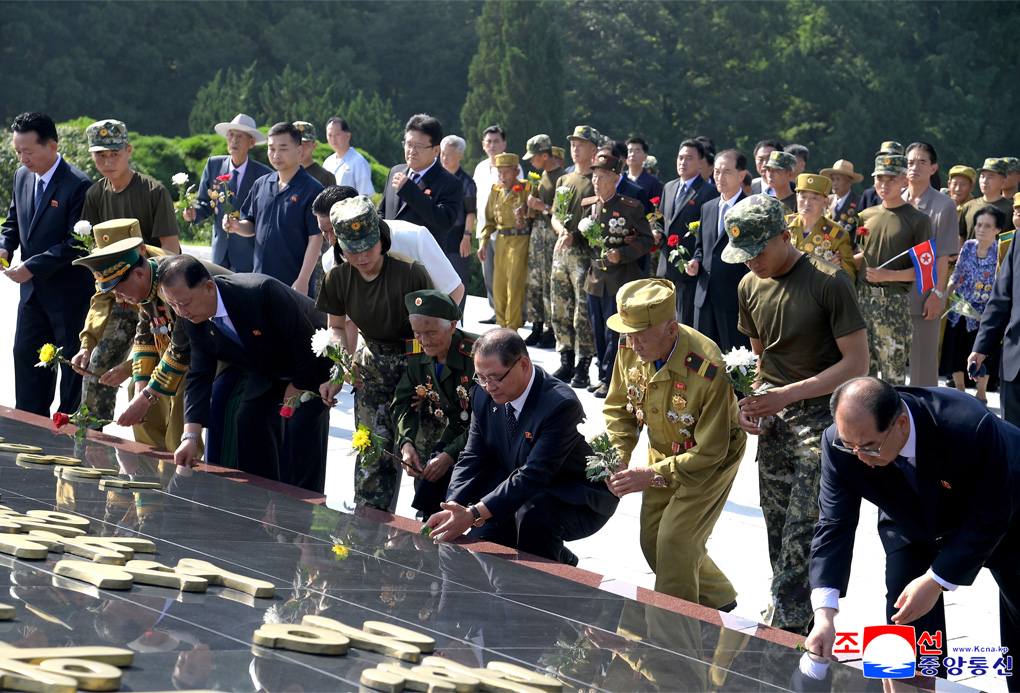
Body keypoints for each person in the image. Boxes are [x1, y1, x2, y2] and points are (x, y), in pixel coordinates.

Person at [804, 376, 1020, 690]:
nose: (860, 457)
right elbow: (833, 524)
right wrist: (824, 615)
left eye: (868, 447)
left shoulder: (967, 424)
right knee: (903, 618)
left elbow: (992, 514)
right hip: (911, 519)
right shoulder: (842, 444)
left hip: (1009, 509)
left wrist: (937, 579)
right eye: (850, 447)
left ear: (901, 423)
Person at [721, 193, 868, 635]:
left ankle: (780, 632)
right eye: (742, 256)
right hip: (777, 425)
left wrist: (787, 394)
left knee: (804, 533)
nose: (751, 264)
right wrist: (751, 404)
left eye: (758, 252)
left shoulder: (829, 281)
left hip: (824, 422)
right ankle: (799, 627)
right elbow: (762, 359)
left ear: (785, 236)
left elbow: (857, 364)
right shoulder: (749, 285)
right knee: (778, 531)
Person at [603, 278, 745, 609]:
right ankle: (718, 598)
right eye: (628, 333)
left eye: (641, 336)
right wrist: (618, 456)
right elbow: (618, 408)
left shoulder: (708, 367)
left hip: (709, 459)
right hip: (662, 452)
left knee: (674, 542)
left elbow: (710, 450)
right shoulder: (630, 346)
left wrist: (651, 474)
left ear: (671, 328)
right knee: (653, 541)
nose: (633, 343)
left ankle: (671, 645)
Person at [426, 328, 619, 566]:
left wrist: (474, 513)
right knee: (481, 542)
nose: (488, 386)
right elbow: (473, 455)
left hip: (574, 495)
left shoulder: (560, 404)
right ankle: (555, 558)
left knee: (533, 515)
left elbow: (535, 474)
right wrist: (454, 506)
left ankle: (543, 583)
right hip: (522, 486)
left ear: (524, 365)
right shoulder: (483, 396)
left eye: (495, 377)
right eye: (481, 377)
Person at [163, 255, 331, 493]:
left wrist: (298, 386)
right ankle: (263, 500)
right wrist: (189, 437)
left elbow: (302, 340)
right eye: (173, 305)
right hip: (266, 368)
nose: (181, 311)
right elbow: (199, 375)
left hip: (311, 363)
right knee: (249, 420)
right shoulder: (192, 318)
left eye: (185, 302)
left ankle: (303, 513)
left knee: (299, 434)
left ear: (209, 287)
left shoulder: (259, 291)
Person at [316, 195, 434, 510]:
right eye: (352, 250)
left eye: (368, 246)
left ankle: (433, 527)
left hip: (416, 368)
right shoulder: (337, 278)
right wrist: (339, 371)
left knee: (422, 454)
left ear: (381, 239)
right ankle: (368, 533)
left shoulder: (410, 273)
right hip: (372, 370)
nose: (362, 256)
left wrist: (424, 379)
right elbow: (338, 328)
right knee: (372, 453)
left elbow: (433, 330)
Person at [72, 237, 228, 453]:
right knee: (136, 388)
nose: (118, 299)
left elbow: (181, 349)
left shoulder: (171, 282)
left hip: (230, 347)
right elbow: (145, 336)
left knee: (178, 389)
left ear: (138, 274)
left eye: (119, 290)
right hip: (201, 347)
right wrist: (140, 392)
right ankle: (152, 463)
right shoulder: (149, 284)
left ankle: (182, 461)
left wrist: (146, 398)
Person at [73, 119, 181, 427]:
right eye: (100, 155)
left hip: (156, 299)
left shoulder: (153, 192)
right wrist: (87, 341)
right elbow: (100, 274)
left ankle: (159, 458)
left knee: (146, 380)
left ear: (128, 150)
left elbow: (172, 257)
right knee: (96, 369)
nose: (107, 162)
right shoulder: (95, 196)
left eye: (114, 154)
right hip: (117, 300)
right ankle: (94, 444)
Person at [1, 111, 92, 417]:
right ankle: (27, 435)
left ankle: (67, 440)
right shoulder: (22, 176)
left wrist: (32, 266)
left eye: (28, 152)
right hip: (32, 295)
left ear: (52, 146)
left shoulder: (79, 185)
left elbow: (76, 243)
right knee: (26, 360)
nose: (22, 159)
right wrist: (4, 248)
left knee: (71, 373)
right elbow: (13, 222)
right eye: (17, 152)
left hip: (69, 297)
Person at [390, 290, 478, 518]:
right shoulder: (417, 351)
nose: (423, 340)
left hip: (482, 440)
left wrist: (450, 454)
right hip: (453, 435)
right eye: (417, 332)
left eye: (431, 333)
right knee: (429, 500)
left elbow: (488, 418)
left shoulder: (477, 354)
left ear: (452, 326)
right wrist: (406, 444)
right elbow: (403, 402)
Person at [312, 186, 462, 317]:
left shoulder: (414, 237)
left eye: (335, 230)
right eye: (324, 232)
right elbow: (346, 322)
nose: (331, 239)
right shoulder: (331, 261)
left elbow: (454, 291)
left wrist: (430, 334)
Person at [855, 154, 933, 385]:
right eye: (880, 178)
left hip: (893, 305)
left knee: (893, 376)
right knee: (862, 375)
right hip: (862, 302)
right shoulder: (866, 216)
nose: (884, 184)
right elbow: (861, 255)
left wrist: (890, 276)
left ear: (903, 180)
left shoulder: (918, 220)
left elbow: (924, 270)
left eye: (891, 179)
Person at [582, 153, 654, 397]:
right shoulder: (589, 205)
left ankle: (611, 379)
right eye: (594, 176)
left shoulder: (629, 206)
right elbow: (584, 242)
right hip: (594, 279)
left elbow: (646, 240)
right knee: (597, 331)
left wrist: (622, 254)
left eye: (602, 176)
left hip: (619, 278)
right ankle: (602, 375)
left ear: (615, 178)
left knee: (614, 332)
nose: (596, 181)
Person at [229, 122, 323, 297]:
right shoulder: (261, 184)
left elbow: (316, 238)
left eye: (283, 148)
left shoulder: (313, 189)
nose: (276, 155)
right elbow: (251, 224)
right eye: (271, 149)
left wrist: (303, 279)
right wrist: (236, 226)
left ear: (299, 150)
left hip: (293, 284)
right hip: (259, 281)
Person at [184, 113, 272, 272]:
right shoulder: (213, 165)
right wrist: (194, 213)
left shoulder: (264, 175)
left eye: (240, 136)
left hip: (249, 255)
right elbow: (205, 203)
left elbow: (264, 217)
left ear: (251, 142)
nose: (234, 140)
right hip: (220, 253)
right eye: (230, 135)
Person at [903, 142, 958, 387]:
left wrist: (937, 293)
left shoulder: (944, 205)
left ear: (933, 168)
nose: (914, 167)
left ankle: (924, 422)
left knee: (923, 370)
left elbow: (943, 255)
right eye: (910, 162)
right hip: (891, 296)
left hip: (924, 296)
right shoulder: (896, 200)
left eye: (921, 162)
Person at [549, 125, 599, 386]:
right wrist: (561, 232)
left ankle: (584, 364)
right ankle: (566, 360)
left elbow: (595, 222)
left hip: (583, 254)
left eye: (581, 144)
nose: (575, 148)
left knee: (582, 311)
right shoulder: (563, 180)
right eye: (573, 143)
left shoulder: (596, 181)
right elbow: (556, 215)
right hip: (561, 253)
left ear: (594, 149)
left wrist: (574, 236)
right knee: (560, 307)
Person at [687, 149, 750, 353]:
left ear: (741, 175)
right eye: (716, 172)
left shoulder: (750, 209)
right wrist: (696, 261)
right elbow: (702, 248)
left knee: (736, 362)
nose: (719, 177)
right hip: (704, 296)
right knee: (703, 359)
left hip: (734, 300)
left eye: (727, 172)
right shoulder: (708, 207)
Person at [657, 139, 719, 327]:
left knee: (684, 325)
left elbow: (709, 234)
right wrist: (657, 232)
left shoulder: (709, 192)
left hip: (690, 270)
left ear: (701, 162)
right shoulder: (669, 187)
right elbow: (661, 220)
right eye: (680, 157)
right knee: (663, 323)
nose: (682, 162)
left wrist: (697, 260)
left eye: (689, 158)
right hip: (666, 268)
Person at [970, 203, 1020, 428]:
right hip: (1016, 362)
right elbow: (1000, 299)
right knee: (1013, 441)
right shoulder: (1017, 239)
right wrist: (981, 348)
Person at [944, 206, 1001, 402]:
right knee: (956, 351)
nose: (982, 229)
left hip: (985, 312)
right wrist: (945, 293)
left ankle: (981, 393)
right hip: (960, 308)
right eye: (978, 225)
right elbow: (957, 272)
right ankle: (960, 393)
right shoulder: (968, 246)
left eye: (987, 226)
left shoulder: (1000, 250)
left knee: (983, 352)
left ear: (997, 230)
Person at [380, 113, 463, 246]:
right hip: (390, 257)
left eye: (419, 146)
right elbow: (382, 213)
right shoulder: (395, 171)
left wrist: (409, 190)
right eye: (408, 144)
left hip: (422, 260)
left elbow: (444, 222)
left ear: (436, 150)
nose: (412, 151)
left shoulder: (450, 183)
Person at [478, 153, 532, 331]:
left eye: (506, 173)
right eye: (499, 173)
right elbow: (489, 220)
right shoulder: (496, 191)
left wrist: (527, 211)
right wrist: (484, 242)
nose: (502, 177)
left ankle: (512, 327)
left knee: (515, 285)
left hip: (520, 239)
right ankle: (502, 325)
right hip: (501, 240)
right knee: (498, 286)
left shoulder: (526, 188)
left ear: (516, 171)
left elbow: (537, 214)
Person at [522, 133, 564, 348]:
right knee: (535, 282)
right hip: (538, 236)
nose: (531, 161)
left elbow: (564, 212)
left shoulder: (560, 178)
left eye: (534, 156)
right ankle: (537, 325)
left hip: (551, 236)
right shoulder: (544, 176)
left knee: (549, 284)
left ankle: (550, 328)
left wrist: (543, 208)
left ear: (545, 155)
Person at [472, 125, 517, 323]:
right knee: (489, 273)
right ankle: (496, 311)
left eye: (496, 141)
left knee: (507, 274)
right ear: (483, 145)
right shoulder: (480, 167)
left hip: (507, 231)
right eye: (488, 141)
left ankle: (511, 312)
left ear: (504, 144)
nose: (492, 145)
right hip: (484, 228)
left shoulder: (513, 166)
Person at [787, 173, 856, 280]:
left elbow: (849, 276)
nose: (807, 203)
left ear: (825, 202)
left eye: (814, 198)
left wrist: (834, 271)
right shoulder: (782, 226)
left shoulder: (837, 235)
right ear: (797, 197)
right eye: (803, 196)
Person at [438, 135, 476, 315]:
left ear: (460, 156)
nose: (444, 158)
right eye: (442, 153)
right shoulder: (437, 177)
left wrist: (467, 236)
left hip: (458, 238)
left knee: (457, 283)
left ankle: (457, 323)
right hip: (437, 236)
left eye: (449, 154)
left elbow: (470, 212)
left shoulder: (466, 182)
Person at [959, 158, 1015, 241]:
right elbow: (961, 236)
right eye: (982, 176)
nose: (984, 181)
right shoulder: (968, 207)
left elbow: (1014, 238)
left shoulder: (1011, 209)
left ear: (1002, 181)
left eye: (990, 177)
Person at [322, 117, 374, 196]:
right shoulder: (328, 162)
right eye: (330, 135)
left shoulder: (359, 162)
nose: (333, 139)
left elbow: (364, 196)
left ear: (348, 135)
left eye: (337, 135)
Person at [819, 159, 863, 241]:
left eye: (838, 179)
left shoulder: (859, 203)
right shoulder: (826, 200)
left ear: (849, 182)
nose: (834, 183)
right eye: (832, 179)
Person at [857, 141, 904, 212]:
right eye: (882, 156)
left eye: (890, 157)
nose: (885, 160)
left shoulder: (907, 194)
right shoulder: (870, 195)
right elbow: (859, 220)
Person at [293, 121, 335, 189]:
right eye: (296, 143)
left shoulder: (324, 177)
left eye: (305, 144)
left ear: (314, 146)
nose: (300, 149)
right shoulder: (286, 173)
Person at [624, 137, 664, 202]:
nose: (632, 154)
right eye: (630, 151)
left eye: (637, 151)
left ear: (645, 157)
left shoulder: (653, 182)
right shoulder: (619, 178)